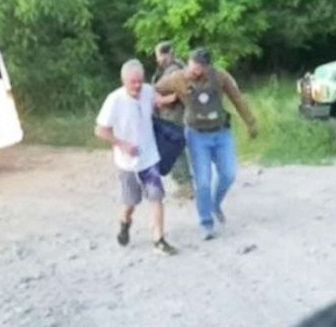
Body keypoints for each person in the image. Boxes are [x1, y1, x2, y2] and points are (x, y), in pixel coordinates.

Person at [154, 48, 257, 240]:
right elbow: (155, 89)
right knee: (202, 181)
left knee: (228, 174)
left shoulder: (220, 76)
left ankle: (215, 204)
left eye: (201, 67)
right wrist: (169, 99)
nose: (196, 70)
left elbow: (237, 98)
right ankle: (206, 223)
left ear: (207, 66)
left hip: (220, 133)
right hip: (196, 135)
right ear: (189, 62)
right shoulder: (177, 78)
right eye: (194, 65)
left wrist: (250, 122)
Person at [95, 59, 178, 255]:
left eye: (140, 80)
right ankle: (125, 222)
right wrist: (122, 144)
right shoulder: (114, 100)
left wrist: (174, 97)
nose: (137, 85)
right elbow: (99, 130)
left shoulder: (147, 90)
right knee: (130, 203)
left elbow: (157, 99)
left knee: (156, 196)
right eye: (133, 82)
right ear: (123, 81)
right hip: (127, 163)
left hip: (149, 158)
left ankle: (159, 239)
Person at [151, 41, 193, 198]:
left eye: (159, 56)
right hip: (169, 114)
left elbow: (178, 94)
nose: (157, 60)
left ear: (167, 54)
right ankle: (186, 183)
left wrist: (160, 101)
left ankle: (185, 185)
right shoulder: (174, 68)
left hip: (173, 115)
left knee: (173, 150)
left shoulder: (174, 70)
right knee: (176, 149)